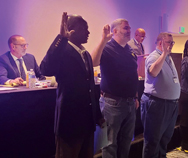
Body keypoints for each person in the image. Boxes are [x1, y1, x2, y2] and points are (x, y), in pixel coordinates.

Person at [40, 12, 104, 158]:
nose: (88, 32)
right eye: (84, 28)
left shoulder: (86, 54)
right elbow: (45, 69)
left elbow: (91, 87)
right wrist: (61, 39)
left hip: (87, 123)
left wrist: (98, 115)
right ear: (71, 30)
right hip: (69, 123)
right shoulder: (62, 51)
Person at [90, 19, 138, 158]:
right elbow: (93, 62)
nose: (129, 31)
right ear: (114, 31)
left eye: (129, 28)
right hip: (112, 104)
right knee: (110, 144)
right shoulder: (107, 48)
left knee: (126, 141)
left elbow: (133, 75)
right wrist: (103, 40)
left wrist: (135, 97)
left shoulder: (130, 50)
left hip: (130, 103)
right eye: (125, 28)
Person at [140, 32, 180, 158]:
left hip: (170, 104)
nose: (171, 45)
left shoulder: (168, 57)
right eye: (169, 42)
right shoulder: (154, 56)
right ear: (160, 43)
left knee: (165, 139)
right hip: (157, 104)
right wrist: (164, 54)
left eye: (172, 42)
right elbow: (153, 72)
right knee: (153, 141)